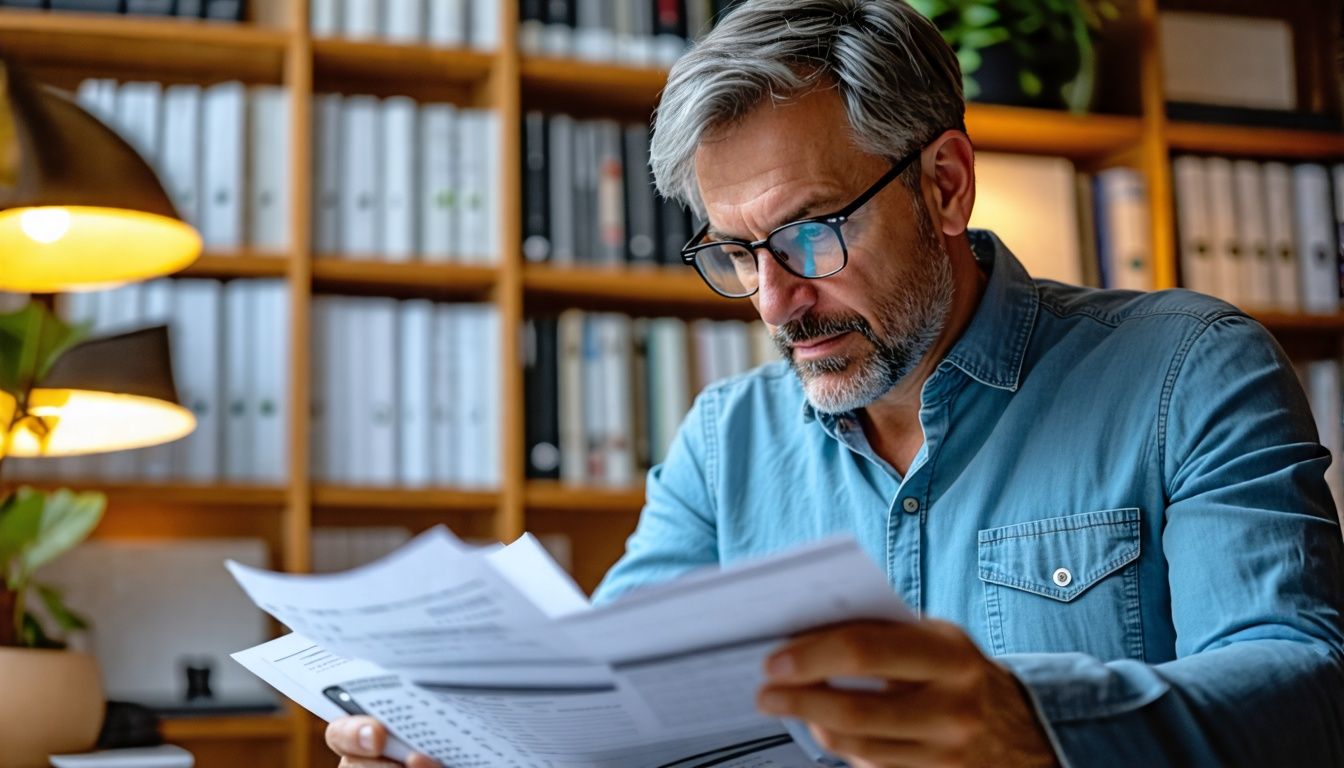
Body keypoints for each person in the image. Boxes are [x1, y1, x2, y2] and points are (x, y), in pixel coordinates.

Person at [326, 1, 1344, 765]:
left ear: (943, 184)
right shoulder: (724, 444)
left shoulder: (1186, 369)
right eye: (735, 252)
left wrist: (1034, 724)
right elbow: (612, 716)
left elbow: (1305, 689)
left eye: (810, 234)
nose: (773, 300)